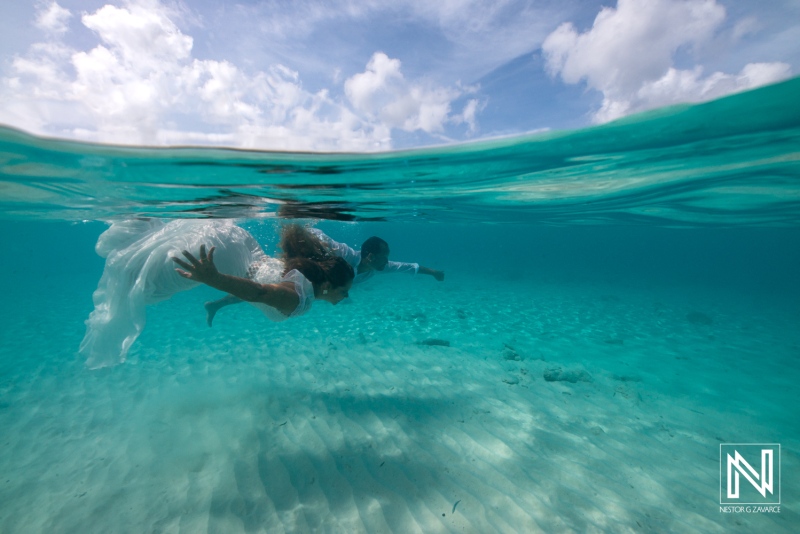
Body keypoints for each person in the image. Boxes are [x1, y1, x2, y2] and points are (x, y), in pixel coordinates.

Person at [79, 220, 353, 369]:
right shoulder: (299, 302)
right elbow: (259, 291)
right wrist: (214, 278)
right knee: (143, 286)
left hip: (239, 241)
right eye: (344, 291)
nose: (345, 299)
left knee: (145, 270)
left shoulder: (302, 275)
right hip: (225, 256)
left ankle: (141, 219)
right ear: (328, 286)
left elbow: (258, 288)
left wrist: (218, 304)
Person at [204, 228, 444, 326]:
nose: (387, 261)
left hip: (306, 285)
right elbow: (317, 235)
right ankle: (218, 300)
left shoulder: (379, 267)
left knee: (261, 291)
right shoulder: (344, 255)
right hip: (293, 274)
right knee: (262, 288)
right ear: (369, 256)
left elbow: (404, 267)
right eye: (383, 257)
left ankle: (216, 304)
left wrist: (432, 272)